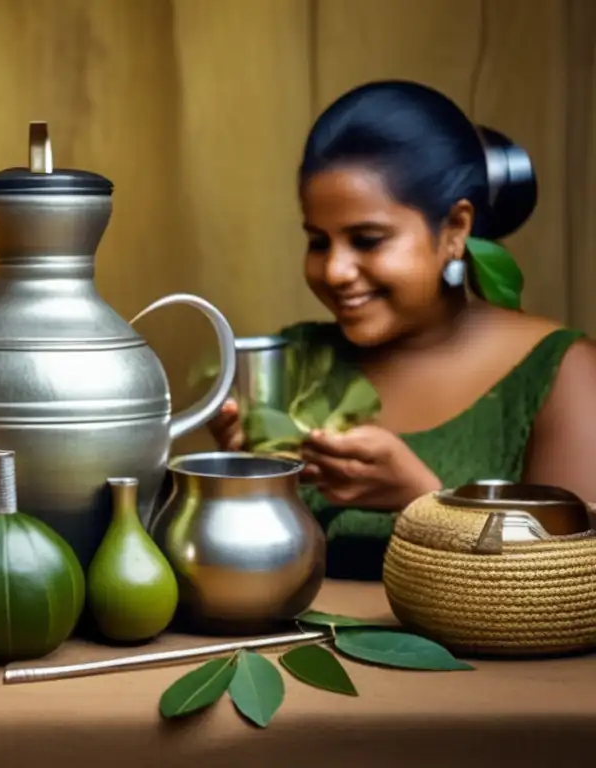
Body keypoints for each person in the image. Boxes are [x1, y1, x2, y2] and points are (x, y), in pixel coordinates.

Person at [208, 79, 596, 580]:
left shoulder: (562, 372)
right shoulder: (296, 360)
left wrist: (421, 498)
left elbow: (571, 590)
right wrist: (237, 482)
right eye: (318, 242)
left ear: (455, 230)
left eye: (366, 240)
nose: (335, 271)